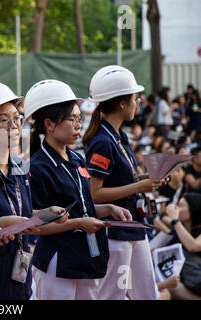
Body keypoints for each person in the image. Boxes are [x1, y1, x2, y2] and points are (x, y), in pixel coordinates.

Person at [23, 79, 132, 300]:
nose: (78, 125)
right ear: (49, 124)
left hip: (86, 257)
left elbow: (83, 209)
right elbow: (34, 225)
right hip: (58, 260)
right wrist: (79, 223)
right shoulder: (38, 167)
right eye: (72, 119)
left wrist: (109, 208)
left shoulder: (76, 158)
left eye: (79, 118)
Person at [0, 81, 65, 300]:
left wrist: (45, 214)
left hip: (20, 281)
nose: (14, 126)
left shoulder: (20, 167)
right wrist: (0, 225)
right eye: (3, 120)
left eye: (17, 118)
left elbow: (23, 216)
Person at [83, 65, 167, 300]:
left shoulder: (119, 135)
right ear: (122, 103)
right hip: (116, 232)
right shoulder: (102, 141)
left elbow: (124, 178)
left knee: (147, 293)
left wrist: (147, 180)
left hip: (135, 227)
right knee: (113, 294)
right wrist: (140, 186)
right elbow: (95, 193)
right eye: (135, 98)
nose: (137, 102)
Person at [165, 193, 201, 299]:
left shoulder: (177, 225)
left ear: (193, 208)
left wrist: (175, 221)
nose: (176, 209)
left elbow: (194, 247)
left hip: (197, 278)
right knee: (171, 286)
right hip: (188, 283)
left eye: (181, 206)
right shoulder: (178, 229)